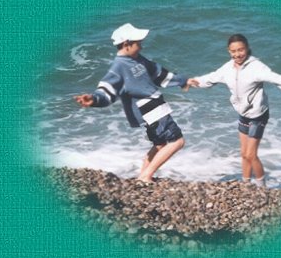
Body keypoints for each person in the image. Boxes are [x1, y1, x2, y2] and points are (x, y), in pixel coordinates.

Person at [188, 34, 281, 187]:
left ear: (247, 48)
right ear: (229, 51)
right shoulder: (228, 68)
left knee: (251, 155)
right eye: (233, 51)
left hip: (258, 115)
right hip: (243, 114)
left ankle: (262, 187)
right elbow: (211, 78)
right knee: (244, 154)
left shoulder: (257, 67)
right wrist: (193, 81)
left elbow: (279, 79)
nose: (237, 54)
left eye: (241, 50)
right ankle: (246, 184)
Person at [75, 23, 198, 183]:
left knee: (160, 144)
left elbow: (159, 74)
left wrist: (183, 81)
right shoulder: (118, 67)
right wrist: (94, 99)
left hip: (155, 108)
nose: (140, 46)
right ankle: (146, 176)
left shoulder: (138, 60)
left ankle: (142, 176)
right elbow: (107, 89)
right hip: (151, 110)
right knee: (177, 141)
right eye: (137, 43)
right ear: (126, 44)